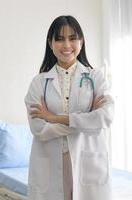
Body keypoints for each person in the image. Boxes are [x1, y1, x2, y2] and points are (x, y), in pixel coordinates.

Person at [24, 15, 114, 200]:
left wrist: (55, 118)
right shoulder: (39, 83)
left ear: (81, 42)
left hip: (86, 159)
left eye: (72, 38)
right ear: (50, 43)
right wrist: (87, 120)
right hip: (50, 161)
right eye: (60, 39)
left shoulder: (96, 77)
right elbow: (38, 128)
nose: (66, 45)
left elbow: (105, 117)